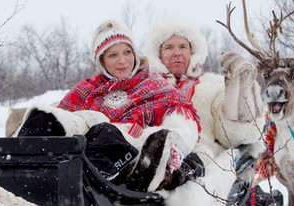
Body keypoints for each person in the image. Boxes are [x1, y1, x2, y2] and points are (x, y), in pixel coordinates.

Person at [15, 20, 201, 192]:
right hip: (84, 150)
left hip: (135, 153)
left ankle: (97, 176)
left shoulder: (154, 85)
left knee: (106, 133)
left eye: (127, 52)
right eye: (113, 55)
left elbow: (182, 124)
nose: (122, 61)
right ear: (101, 61)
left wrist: (167, 144)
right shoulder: (87, 89)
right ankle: (21, 168)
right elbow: (70, 118)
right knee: (44, 119)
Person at [145, 16, 282, 205]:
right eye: (169, 47)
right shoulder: (145, 90)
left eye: (183, 47)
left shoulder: (213, 86)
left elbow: (235, 135)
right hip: (155, 162)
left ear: (193, 51)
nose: (177, 53)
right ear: (158, 54)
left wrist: (237, 86)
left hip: (204, 166)